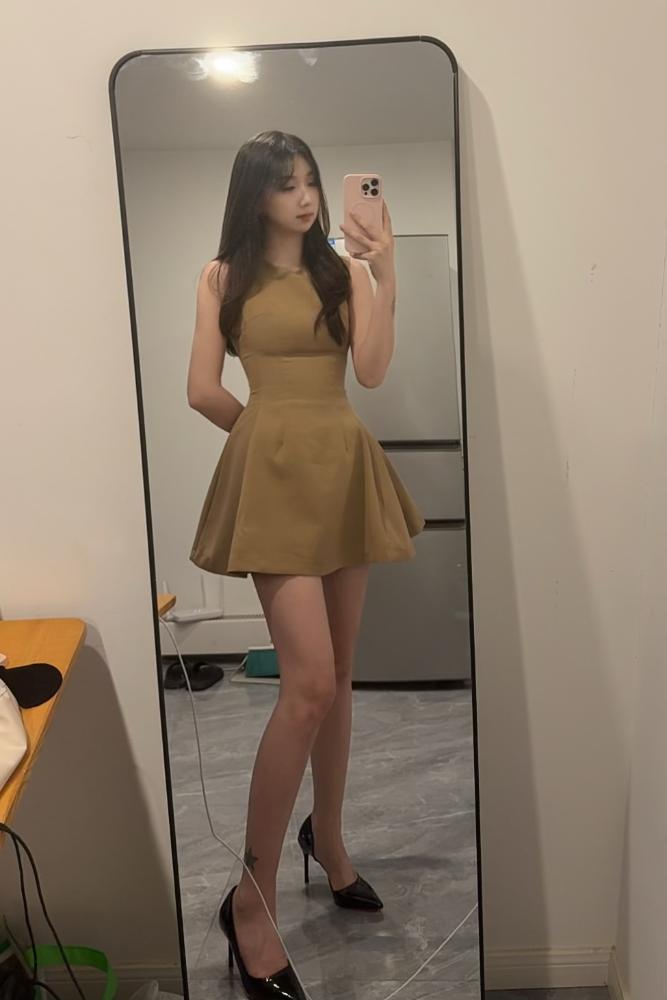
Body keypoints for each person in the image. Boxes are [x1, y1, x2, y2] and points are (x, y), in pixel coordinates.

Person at [186, 130, 425, 1000]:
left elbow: (371, 370)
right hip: (278, 482)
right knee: (309, 684)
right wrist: (265, 442)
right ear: (253, 194)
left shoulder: (342, 273)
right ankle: (250, 904)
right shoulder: (223, 277)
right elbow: (202, 389)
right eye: (286, 184)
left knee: (341, 675)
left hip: (342, 470)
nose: (306, 196)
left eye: (311, 181)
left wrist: (384, 273)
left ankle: (328, 840)